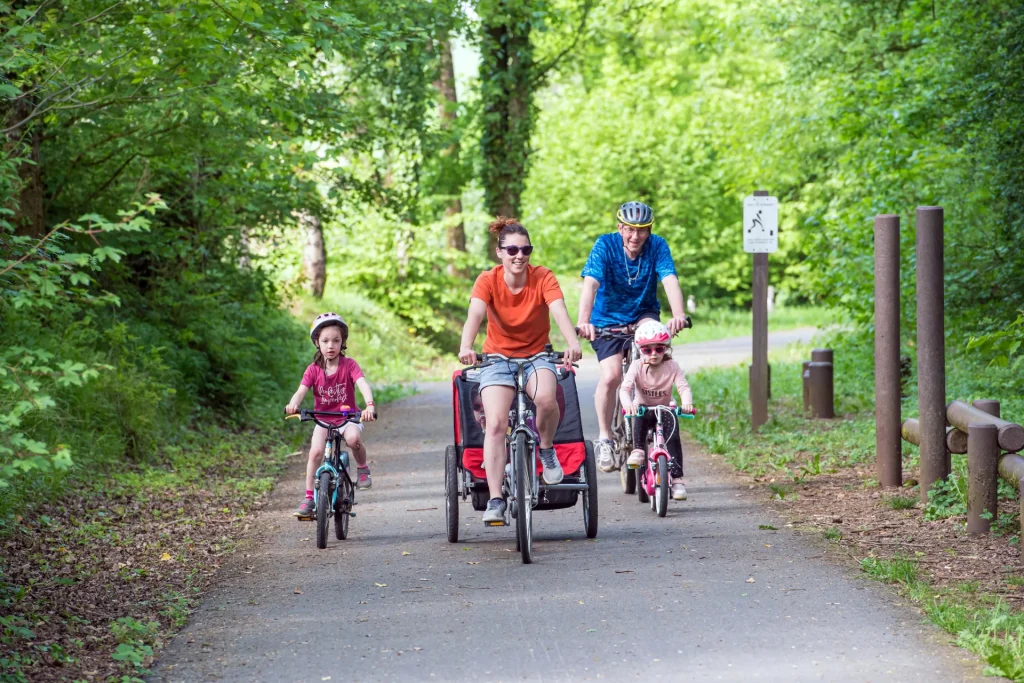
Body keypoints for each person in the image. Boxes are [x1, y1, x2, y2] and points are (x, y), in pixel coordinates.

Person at [458, 217, 583, 525]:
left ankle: (546, 448)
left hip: (538, 355)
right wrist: (466, 346)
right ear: (499, 252)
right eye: (512, 249)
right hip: (496, 359)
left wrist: (572, 343)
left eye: (525, 250)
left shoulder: (543, 277)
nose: (519, 256)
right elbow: (475, 314)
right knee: (497, 423)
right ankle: (496, 498)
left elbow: (559, 311)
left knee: (546, 400)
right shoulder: (487, 280)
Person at [576, 201, 689, 472]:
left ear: (649, 231)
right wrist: (583, 321)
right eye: (629, 229)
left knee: (653, 355)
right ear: (620, 228)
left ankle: (656, 416)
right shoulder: (605, 245)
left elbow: (669, 279)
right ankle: (604, 437)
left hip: (643, 314)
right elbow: (590, 284)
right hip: (606, 320)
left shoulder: (658, 246)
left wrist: (678, 314)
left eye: (641, 230)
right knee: (612, 375)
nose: (635, 236)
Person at [286, 313, 377, 519]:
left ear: (342, 342)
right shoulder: (313, 369)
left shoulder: (349, 365)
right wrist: (294, 404)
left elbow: (362, 383)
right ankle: (309, 497)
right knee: (315, 453)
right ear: (317, 342)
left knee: (353, 439)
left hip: (347, 418)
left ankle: (362, 468)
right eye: (325, 341)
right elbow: (301, 390)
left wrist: (369, 405)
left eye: (336, 340)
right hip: (323, 418)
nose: (331, 345)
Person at [619, 320, 694, 500]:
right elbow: (625, 388)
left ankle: (676, 480)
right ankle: (638, 450)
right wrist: (628, 404)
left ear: (665, 349)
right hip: (644, 409)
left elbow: (683, 387)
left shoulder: (672, 366)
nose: (653, 354)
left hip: (665, 409)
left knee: (673, 438)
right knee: (639, 414)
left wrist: (687, 403)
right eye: (647, 350)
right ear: (640, 350)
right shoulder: (637, 366)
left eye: (659, 349)